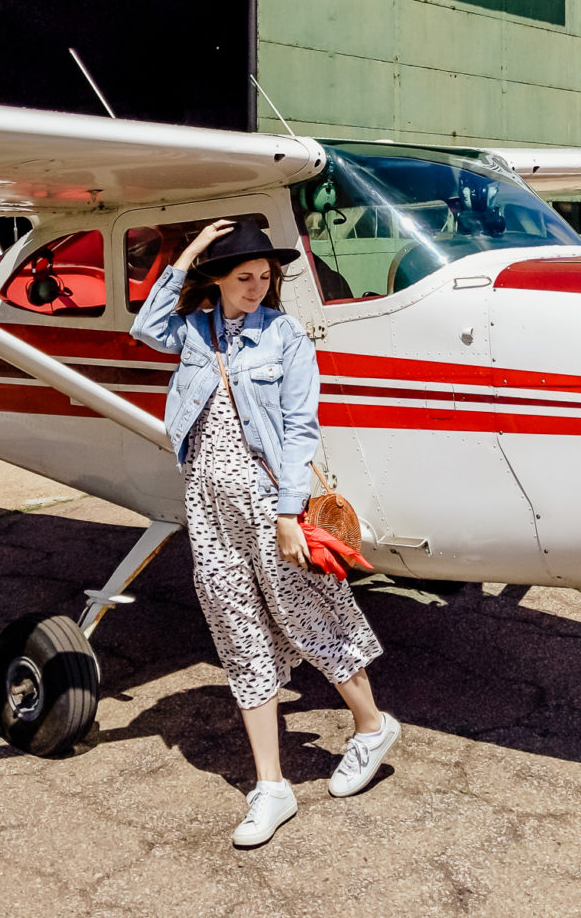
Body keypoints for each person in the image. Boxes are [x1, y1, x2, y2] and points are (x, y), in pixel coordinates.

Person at [131, 217, 398, 847]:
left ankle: (369, 725)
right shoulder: (193, 330)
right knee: (233, 623)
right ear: (217, 280)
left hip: (266, 501)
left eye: (265, 277)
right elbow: (145, 327)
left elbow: (301, 430)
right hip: (206, 502)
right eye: (244, 277)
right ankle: (271, 786)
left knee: (304, 612)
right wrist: (190, 251)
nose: (257, 286)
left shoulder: (284, 336)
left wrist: (286, 513)